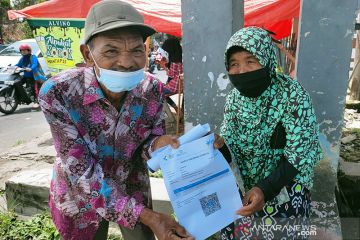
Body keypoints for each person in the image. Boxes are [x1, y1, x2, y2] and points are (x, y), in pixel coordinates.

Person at [38, 1, 194, 239]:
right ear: (88, 55)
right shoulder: (59, 92)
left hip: (132, 185)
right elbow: (81, 174)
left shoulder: (152, 89)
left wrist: (158, 145)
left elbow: (147, 145)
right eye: (111, 51)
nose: (126, 61)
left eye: (136, 50)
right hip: (79, 195)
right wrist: (150, 217)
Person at [218, 27, 323, 239]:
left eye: (250, 60)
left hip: (284, 182)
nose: (242, 71)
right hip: (245, 185)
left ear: (266, 59)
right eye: (234, 64)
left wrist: (265, 189)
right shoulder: (234, 100)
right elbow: (230, 145)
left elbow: (299, 153)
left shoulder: (292, 94)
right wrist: (218, 147)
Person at [15, 44, 46, 108]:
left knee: (34, 89)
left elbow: (35, 64)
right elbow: (18, 65)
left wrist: (30, 68)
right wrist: (11, 67)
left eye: (25, 50)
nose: (23, 52)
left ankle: (36, 102)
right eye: (22, 50)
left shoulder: (33, 57)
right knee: (17, 82)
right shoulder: (22, 58)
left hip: (34, 76)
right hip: (26, 76)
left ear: (28, 50)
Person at [159, 38, 183, 113]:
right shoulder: (182, 58)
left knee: (158, 92)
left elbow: (171, 76)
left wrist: (165, 68)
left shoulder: (174, 61)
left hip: (175, 87)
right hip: (181, 85)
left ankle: (175, 109)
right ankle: (178, 110)